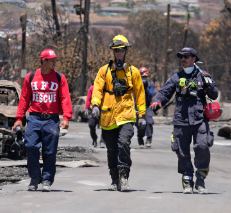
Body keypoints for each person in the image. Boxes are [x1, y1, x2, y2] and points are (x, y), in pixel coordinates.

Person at [149, 47, 218, 194]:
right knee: (181, 151)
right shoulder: (176, 77)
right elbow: (164, 92)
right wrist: (157, 101)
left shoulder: (203, 76)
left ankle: (200, 179)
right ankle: (187, 179)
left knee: (202, 145)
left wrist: (208, 82)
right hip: (181, 120)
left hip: (200, 119)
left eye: (186, 56)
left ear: (194, 58)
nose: (183, 59)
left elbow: (214, 94)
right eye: (181, 57)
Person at [91, 35, 146, 192]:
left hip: (126, 116)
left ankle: (124, 177)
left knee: (123, 143)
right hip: (108, 118)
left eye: (121, 50)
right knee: (111, 150)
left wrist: (142, 116)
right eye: (116, 51)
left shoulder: (133, 72)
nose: (119, 54)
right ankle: (114, 179)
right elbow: (97, 88)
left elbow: (140, 94)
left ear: (126, 51)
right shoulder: (104, 71)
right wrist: (95, 104)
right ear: (113, 52)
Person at [13, 49, 73, 192]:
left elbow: (65, 98)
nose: (54, 61)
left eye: (55, 59)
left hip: (51, 119)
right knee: (31, 146)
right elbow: (24, 99)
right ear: (43, 61)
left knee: (50, 152)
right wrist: (19, 119)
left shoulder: (59, 77)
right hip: (34, 118)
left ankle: (46, 180)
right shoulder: (31, 77)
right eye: (51, 59)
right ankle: (34, 178)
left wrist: (66, 117)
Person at [136, 67, 155, 148]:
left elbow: (151, 95)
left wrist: (146, 88)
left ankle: (149, 138)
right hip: (138, 107)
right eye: (142, 77)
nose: (143, 78)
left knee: (149, 122)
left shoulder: (150, 85)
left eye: (145, 77)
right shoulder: (135, 84)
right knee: (140, 124)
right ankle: (140, 139)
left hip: (147, 106)